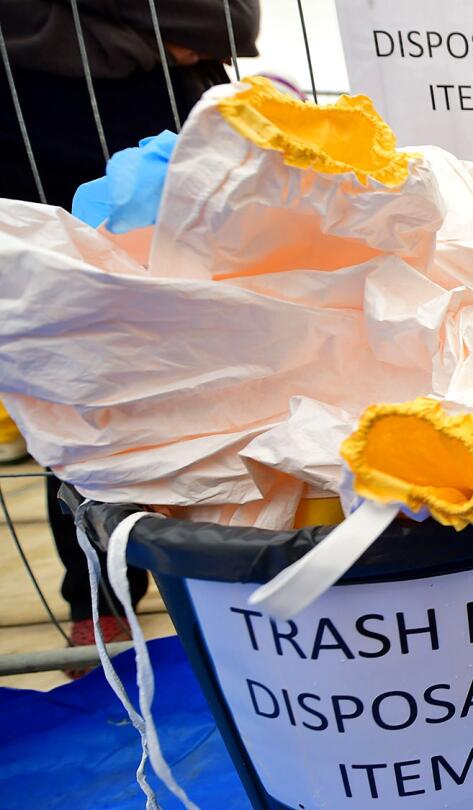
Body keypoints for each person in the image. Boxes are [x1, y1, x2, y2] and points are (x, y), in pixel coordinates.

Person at [0, 0, 259, 671]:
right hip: (34, 146)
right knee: (73, 390)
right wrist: (144, 31)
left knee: (219, 376)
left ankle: (220, 587)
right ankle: (102, 600)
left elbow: (229, 21)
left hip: (164, 146)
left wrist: (82, 27)